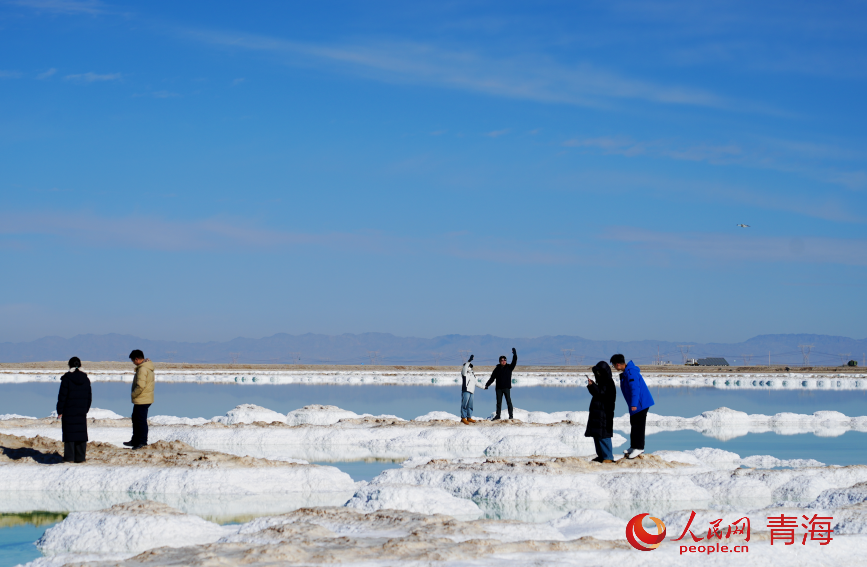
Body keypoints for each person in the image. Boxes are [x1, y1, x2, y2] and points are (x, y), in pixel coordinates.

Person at [610, 353, 654, 459]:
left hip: (640, 403)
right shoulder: (627, 372)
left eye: (613, 366)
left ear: (618, 364)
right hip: (636, 404)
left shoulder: (631, 373)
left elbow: (635, 389)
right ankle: (634, 446)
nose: (614, 368)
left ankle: (639, 447)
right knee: (634, 424)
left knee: (638, 425)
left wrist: (634, 404)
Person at [56, 357, 92, 463]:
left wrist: (60, 411)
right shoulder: (85, 379)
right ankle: (80, 458)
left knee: (70, 434)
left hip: (69, 410)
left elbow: (62, 396)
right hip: (81, 411)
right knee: (81, 433)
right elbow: (89, 397)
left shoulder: (66, 379)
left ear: (69, 365)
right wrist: (85, 409)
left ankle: (69, 458)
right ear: (80, 365)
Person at [584, 360, 616, 463]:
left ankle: (608, 457)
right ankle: (601, 456)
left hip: (604, 412)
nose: (598, 374)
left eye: (599, 372)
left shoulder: (608, 382)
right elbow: (597, 394)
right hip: (598, 412)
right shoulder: (602, 382)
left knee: (603, 435)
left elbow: (602, 394)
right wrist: (591, 385)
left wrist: (593, 386)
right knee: (597, 435)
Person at [125, 349, 154, 450]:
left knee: (140, 421)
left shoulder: (142, 369)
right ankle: (135, 440)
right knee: (136, 419)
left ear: (137, 359)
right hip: (144, 398)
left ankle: (141, 442)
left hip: (142, 399)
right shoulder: (146, 367)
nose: (133, 363)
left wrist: (133, 394)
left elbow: (140, 386)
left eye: (133, 361)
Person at [484, 348, 517, 421]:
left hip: (506, 388)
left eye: (505, 360)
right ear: (499, 361)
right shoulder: (497, 369)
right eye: (502, 360)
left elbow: (514, 362)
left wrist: (514, 354)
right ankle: (498, 415)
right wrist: (487, 385)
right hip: (499, 388)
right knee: (499, 403)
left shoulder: (509, 367)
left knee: (509, 402)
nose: (503, 361)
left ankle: (511, 416)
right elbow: (492, 378)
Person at [460, 354, 476, 424]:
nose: (469, 367)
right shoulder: (464, 373)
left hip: (471, 391)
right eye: (469, 366)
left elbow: (476, 382)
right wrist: (469, 360)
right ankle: (463, 418)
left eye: (470, 366)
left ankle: (469, 417)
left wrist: (484, 387)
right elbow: (465, 367)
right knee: (464, 404)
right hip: (466, 390)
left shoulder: (472, 374)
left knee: (470, 405)